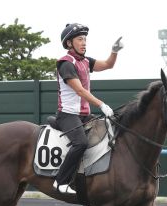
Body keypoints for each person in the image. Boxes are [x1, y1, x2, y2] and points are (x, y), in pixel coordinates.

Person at [53, 23, 124, 194]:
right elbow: (79, 90)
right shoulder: (66, 63)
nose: (84, 42)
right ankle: (60, 181)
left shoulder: (85, 61)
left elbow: (108, 64)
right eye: (80, 39)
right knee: (81, 143)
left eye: (85, 39)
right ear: (69, 43)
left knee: (108, 128)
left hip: (84, 115)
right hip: (67, 115)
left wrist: (114, 51)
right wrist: (101, 104)